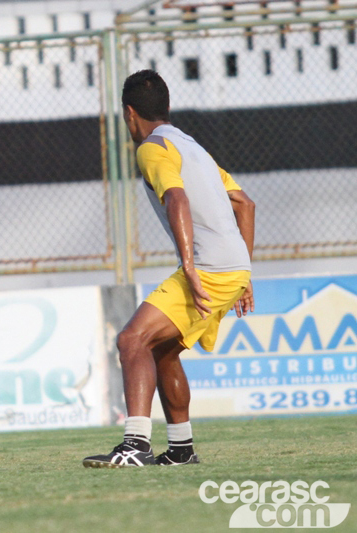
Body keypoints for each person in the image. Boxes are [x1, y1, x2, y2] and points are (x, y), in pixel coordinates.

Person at [83, 70, 255, 468]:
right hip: (231, 268)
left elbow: (175, 197)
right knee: (161, 351)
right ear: (168, 107)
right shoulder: (192, 146)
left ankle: (135, 446)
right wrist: (244, 273)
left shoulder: (151, 148)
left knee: (131, 340)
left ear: (129, 114)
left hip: (209, 267)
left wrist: (191, 268)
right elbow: (245, 204)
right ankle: (180, 450)